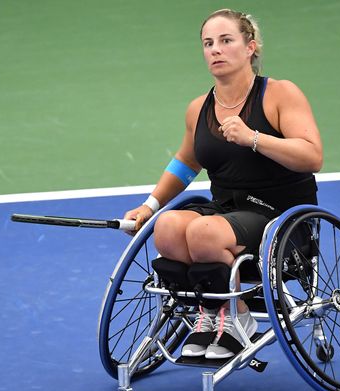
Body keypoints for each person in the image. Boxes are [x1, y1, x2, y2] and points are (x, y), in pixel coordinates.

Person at [123, 8, 323, 360]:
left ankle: (234, 320)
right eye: (208, 43)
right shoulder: (198, 108)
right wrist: (149, 206)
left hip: (280, 217)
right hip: (227, 210)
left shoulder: (279, 94)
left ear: (250, 47)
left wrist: (253, 138)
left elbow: (312, 157)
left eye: (226, 41)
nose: (215, 49)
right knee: (167, 227)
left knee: (204, 233)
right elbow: (186, 163)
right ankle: (215, 316)